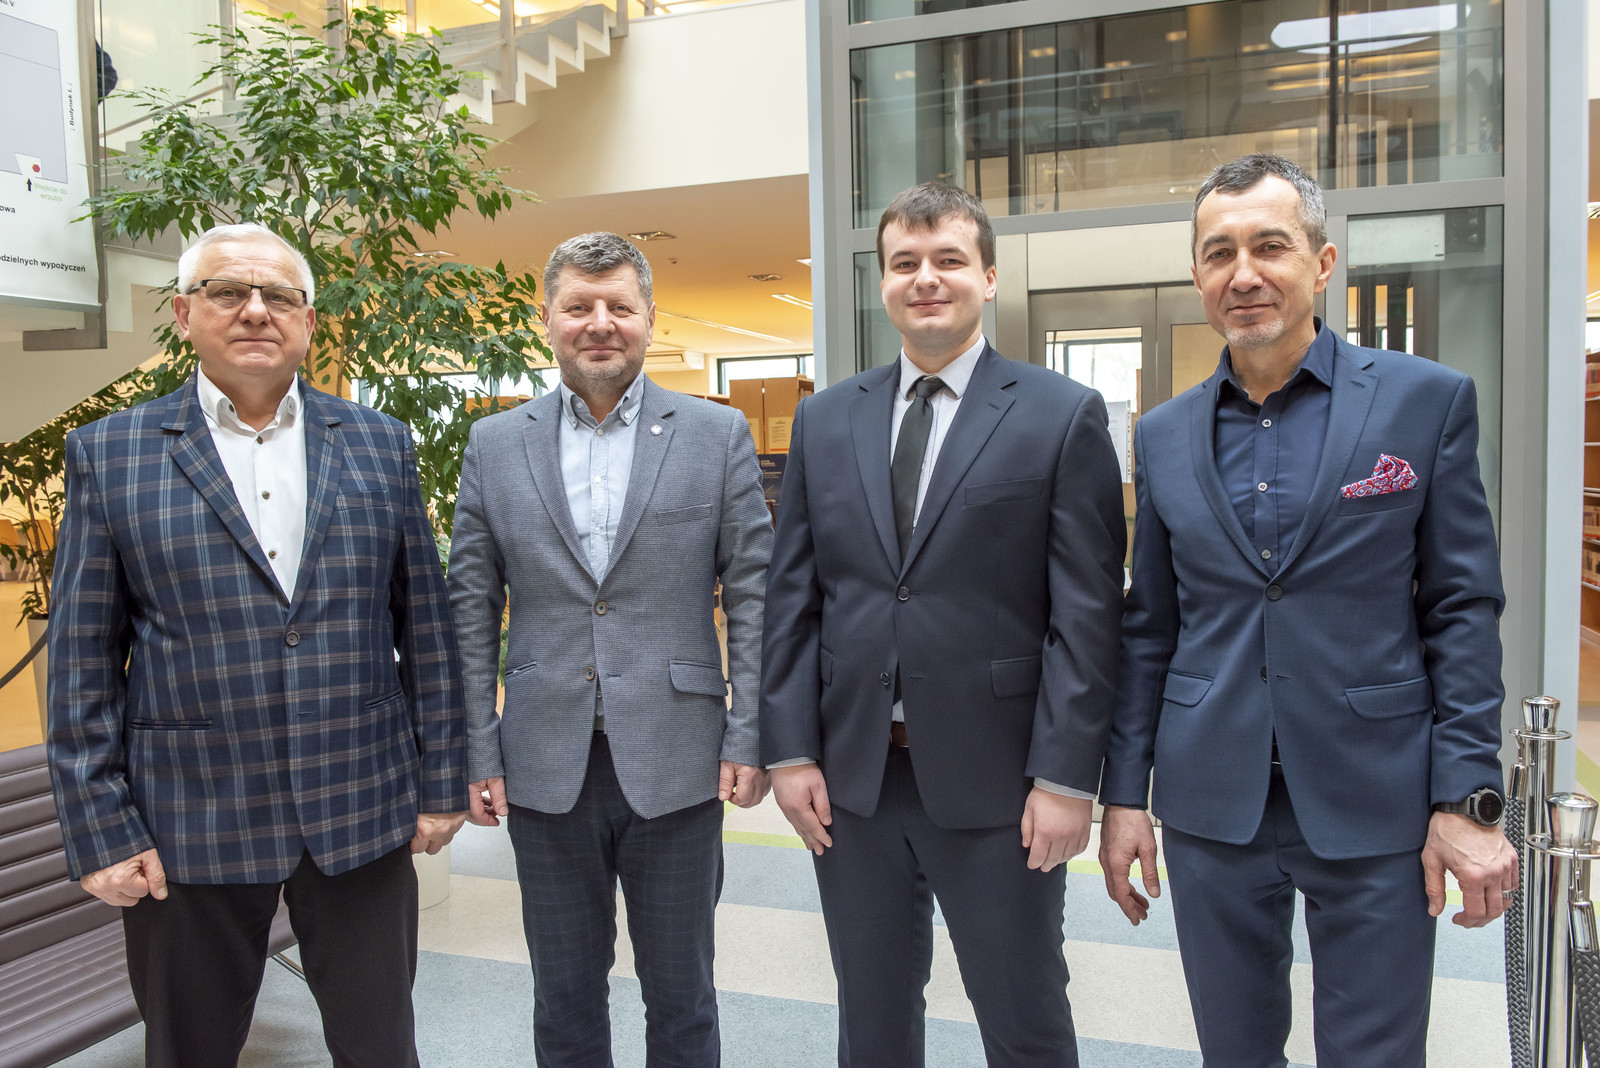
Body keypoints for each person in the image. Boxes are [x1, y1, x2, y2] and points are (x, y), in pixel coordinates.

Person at [1098, 153, 1518, 1067]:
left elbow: (1461, 608)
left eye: (1270, 246)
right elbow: (1150, 628)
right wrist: (1124, 796)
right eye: (1219, 253)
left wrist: (1467, 797)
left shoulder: (1424, 402)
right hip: (1212, 801)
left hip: (1377, 795)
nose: (1244, 273)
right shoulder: (1161, 436)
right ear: (1198, 275)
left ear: (1322, 263)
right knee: (1234, 1051)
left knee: (1376, 1054)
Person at [47, 221, 467, 1067]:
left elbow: (425, 629)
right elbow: (82, 662)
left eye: (278, 295)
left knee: (380, 1044)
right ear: (184, 314)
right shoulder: (110, 453)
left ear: (307, 321)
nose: (254, 310)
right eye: (228, 291)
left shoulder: (380, 443)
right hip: (186, 822)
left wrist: (441, 780)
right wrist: (100, 828)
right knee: (190, 1049)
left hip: (360, 808)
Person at [759, 182, 1126, 1066]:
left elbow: (1087, 616)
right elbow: (793, 598)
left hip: (1003, 785)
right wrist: (789, 750)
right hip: (855, 781)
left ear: (988, 277)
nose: (926, 278)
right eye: (905, 263)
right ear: (884, 282)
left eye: (949, 260)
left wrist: (1067, 777)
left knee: (1024, 1017)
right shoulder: (826, 419)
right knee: (872, 1020)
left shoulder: (1059, 414)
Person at [446, 231, 773, 1065]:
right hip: (543, 763)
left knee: (683, 995)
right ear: (547, 320)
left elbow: (755, 593)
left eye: (619, 306)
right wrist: (476, 747)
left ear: (650, 318)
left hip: (679, 757)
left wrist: (748, 733)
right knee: (563, 996)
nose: (600, 323)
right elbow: (471, 606)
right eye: (579, 306)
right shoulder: (494, 444)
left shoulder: (714, 434)